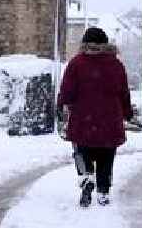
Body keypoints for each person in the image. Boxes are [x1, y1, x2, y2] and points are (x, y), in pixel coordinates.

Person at [56, 26, 133, 208]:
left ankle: (86, 177)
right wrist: (127, 113)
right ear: (106, 44)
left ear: (85, 44)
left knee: (81, 153)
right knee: (107, 158)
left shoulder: (76, 63)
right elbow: (124, 93)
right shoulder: (116, 64)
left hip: (84, 120)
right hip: (110, 122)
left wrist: (61, 104)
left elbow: (67, 90)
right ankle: (104, 192)